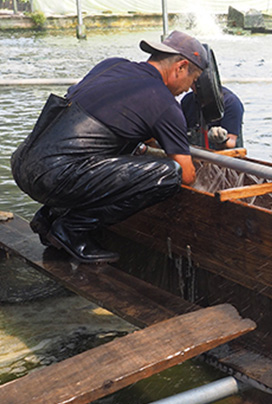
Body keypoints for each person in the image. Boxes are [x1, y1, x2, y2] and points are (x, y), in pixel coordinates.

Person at [11, 30, 207, 263]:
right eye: (193, 81)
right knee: (169, 174)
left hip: (24, 163)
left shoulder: (112, 65)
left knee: (114, 149)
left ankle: (48, 218)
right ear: (181, 67)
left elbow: (101, 122)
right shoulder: (164, 102)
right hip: (54, 177)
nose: (188, 89)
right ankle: (72, 229)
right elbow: (186, 174)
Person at [181, 86, 244, 151]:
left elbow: (231, 142)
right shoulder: (187, 101)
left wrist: (221, 140)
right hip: (196, 156)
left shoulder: (230, 102)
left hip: (224, 157)